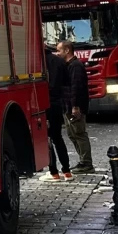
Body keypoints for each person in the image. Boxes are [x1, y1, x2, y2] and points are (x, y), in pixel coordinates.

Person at [57, 40, 94, 172]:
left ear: (67, 50)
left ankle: (86, 163)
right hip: (67, 105)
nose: (57, 53)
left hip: (74, 106)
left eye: (59, 50)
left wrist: (75, 106)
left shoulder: (75, 66)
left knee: (79, 133)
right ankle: (82, 160)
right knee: (72, 134)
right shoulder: (68, 65)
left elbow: (76, 87)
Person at [45, 46, 72, 180]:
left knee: (47, 139)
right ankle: (67, 170)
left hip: (43, 104)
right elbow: (67, 83)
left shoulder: (36, 62)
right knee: (58, 138)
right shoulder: (59, 61)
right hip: (57, 103)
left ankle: (54, 172)